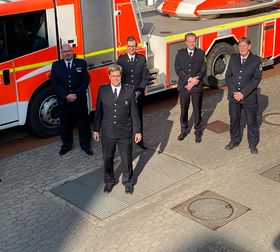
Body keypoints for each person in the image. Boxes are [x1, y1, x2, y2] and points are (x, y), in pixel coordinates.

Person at [92, 64, 142, 194]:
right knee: (108, 158)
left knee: (126, 159)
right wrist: (96, 129)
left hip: (125, 131)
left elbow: (134, 113)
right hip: (108, 132)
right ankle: (109, 181)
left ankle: (128, 182)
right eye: (113, 76)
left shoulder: (129, 90)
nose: (115, 79)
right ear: (109, 77)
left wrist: (137, 131)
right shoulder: (102, 90)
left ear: (121, 76)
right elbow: (98, 112)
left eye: (118, 76)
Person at [51, 43, 92, 156]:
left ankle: (86, 145)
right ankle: (66, 145)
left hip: (79, 100)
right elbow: (55, 84)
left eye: (69, 51)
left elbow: (86, 81)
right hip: (64, 101)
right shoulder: (56, 65)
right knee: (65, 124)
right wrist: (65, 96)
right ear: (61, 53)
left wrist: (76, 94)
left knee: (83, 123)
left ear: (72, 51)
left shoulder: (81, 63)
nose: (67, 53)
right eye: (64, 52)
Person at [225, 37, 262, 154]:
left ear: (249, 47)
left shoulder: (256, 60)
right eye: (240, 46)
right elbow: (228, 76)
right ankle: (234, 140)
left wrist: (243, 93)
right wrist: (234, 92)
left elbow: (256, 80)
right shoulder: (233, 58)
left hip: (249, 98)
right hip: (234, 97)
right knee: (234, 120)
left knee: (251, 122)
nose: (242, 49)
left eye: (244, 46)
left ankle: (253, 144)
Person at [117, 36, 149, 149]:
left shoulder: (141, 59)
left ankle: (140, 141)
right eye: (129, 46)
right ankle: (126, 142)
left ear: (136, 47)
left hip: (138, 95)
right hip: (125, 95)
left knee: (138, 117)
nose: (131, 49)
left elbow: (145, 78)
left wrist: (139, 91)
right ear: (126, 46)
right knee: (125, 119)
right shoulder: (121, 60)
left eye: (133, 46)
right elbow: (118, 78)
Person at [174, 33, 206, 143]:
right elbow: (177, 68)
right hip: (184, 86)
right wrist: (189, 79)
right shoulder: (180, 53)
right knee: (184, 110)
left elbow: (203, 69)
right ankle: (184, 130)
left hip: (196, 86)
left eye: (194, 41)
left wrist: (194, 82)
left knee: (197, 110)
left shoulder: (201, 53)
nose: (192, 43)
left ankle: (198, 132)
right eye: (190, 41)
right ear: (186, 42)